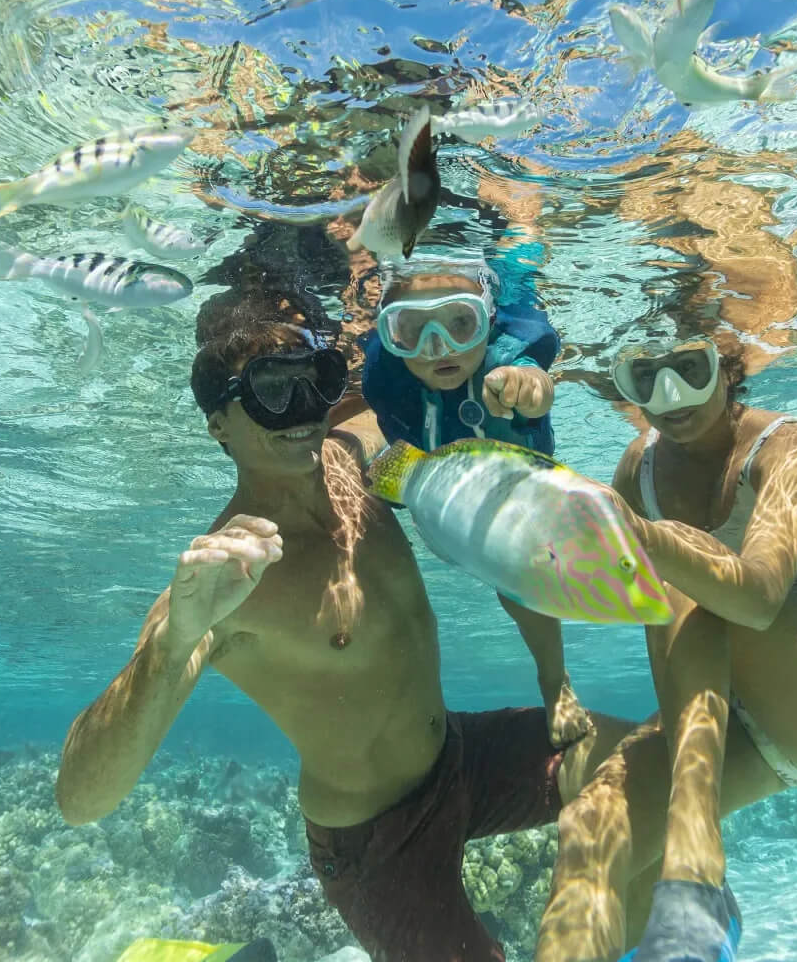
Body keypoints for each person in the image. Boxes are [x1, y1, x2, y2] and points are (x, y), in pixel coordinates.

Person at [55, 310, 637, 962]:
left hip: (462, 757)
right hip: (375, 841)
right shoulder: (224, 583)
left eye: (318, 381)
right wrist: (171, 645)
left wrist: (517, 375)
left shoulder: (351, 460)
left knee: (656, 760)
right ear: (219, 422)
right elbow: (80, 800)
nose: (305, 411)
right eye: (274, 392)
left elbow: (428, 407)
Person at [535, 334, 797, 962]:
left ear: (728, 368)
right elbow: (586, 581)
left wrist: (650, 541)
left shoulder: (793, 446)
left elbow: (761, 597)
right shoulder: (641, 467)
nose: (669, 395)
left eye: (689, 368)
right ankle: (691, 929)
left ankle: (694, 856)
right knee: (591, 828)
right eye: (646, 376)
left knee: (688, 552)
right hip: (731, 727)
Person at [357, 256, 591, 751]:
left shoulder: (505, 359)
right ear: (389, 333)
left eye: (460, 323)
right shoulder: (385, 372)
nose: (437, 346)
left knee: (522, 582)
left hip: (509, 497)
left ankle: (556, 682)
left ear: (487, 317)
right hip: (425, 477)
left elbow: (535, 385)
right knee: (360, 504)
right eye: (410, 330)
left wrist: (527, 385)